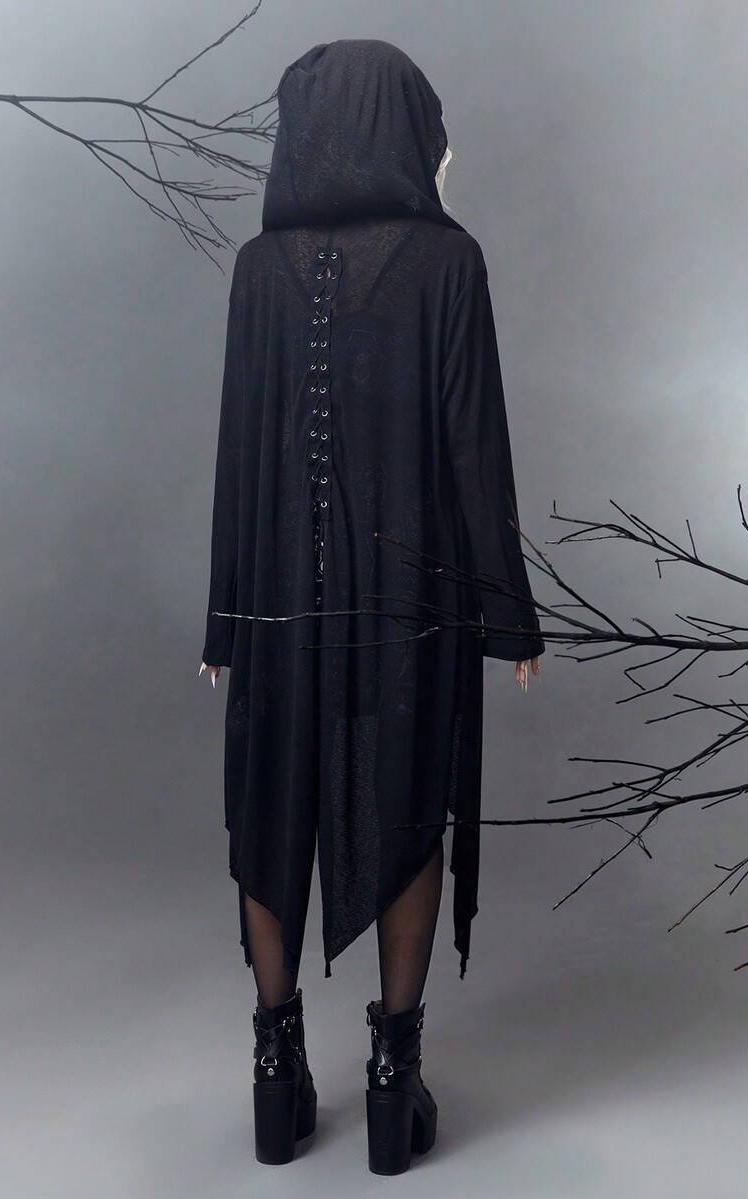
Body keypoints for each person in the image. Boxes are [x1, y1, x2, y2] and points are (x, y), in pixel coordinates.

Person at [198, 39, 545, 1173]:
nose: (445, 153)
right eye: (432, 129)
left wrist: (226, 616)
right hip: (409, 604)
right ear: (396, 130)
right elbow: (473, 448)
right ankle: (393, 1083)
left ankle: (275, 1069)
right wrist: (506, 613)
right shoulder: (449, 261)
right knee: (404, 805)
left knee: (271, 805)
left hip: (278, 606)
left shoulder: (259, 268)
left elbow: (238, 455)